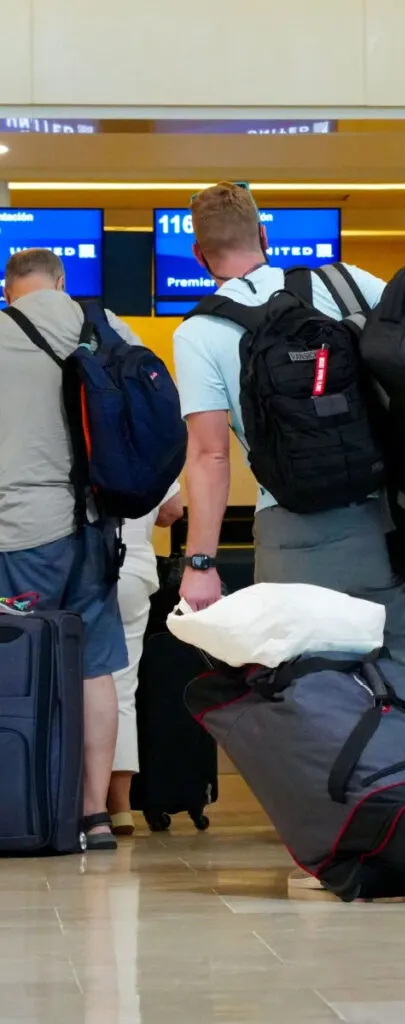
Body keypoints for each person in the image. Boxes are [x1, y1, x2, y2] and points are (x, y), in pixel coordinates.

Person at [172, 183, 405, 887]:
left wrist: (202, 561)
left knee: (306, 684)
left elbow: (211, 456)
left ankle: (334, 843)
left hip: (291, 525)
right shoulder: (345, 282)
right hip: (382, 514)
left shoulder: (199, 331)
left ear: (199, 252)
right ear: (265, 235)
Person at [0, 248, 133, 850]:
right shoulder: (103, 325)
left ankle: (20, 805)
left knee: (13, 666)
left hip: (20, 528)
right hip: (94, 531)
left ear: (10, 291)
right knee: (96, 666)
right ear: (60, 282)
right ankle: (93, 815)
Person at [107, 484, 184, 836]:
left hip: (75, 563)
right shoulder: (146, 432)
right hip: (133, 566)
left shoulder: (75, 432)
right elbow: (173, 511)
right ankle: (120, 807)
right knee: (122, 687)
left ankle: (78, 801)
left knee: (72, 683)